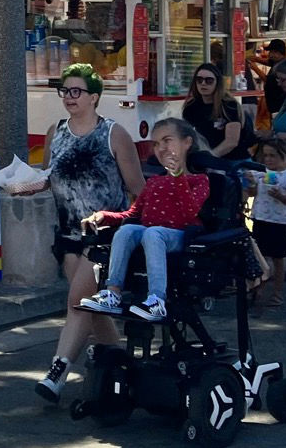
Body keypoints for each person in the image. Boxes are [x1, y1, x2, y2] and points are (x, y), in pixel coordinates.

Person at [20, 63, 145, 403]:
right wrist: (30, 185)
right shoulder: (55, 131)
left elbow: (138, 188)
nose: (69, 98)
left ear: (94, 97)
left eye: (76, 92)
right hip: (69, 233)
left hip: (105, 235)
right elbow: (50, 175)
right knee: (91, 308)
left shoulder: (113, 133)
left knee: (77, 302)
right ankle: (119, 363)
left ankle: (57, 370)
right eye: (65, 91)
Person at [76, 120, 209, 323]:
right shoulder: (154, 182)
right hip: (151, 233)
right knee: (127, 230)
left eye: (167, 141)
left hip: (180, 235)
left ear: (187, 143)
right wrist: (105, 216)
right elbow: (133, 213)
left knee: (152, 233)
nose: (161, 148)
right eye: (156, 144)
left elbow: (190, 212)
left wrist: (178, 177)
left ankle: (156, 300)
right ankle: (112, 292)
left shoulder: (198, 180)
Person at [247, 140, 286, 311]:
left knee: (278, 259)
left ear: (284, 157)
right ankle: (258, 289)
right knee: (260, 257)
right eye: (266, 155)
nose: (268, 160)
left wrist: (280, 196)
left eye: (273, 156)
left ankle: (277, 293)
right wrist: (251, 184)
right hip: (260, 218)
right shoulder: (261, 172)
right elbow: (253, 193)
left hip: (279, 222)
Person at [180, 61, 245, 158]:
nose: (203, 83)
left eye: (209, 80)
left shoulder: (229, 105)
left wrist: (209, 157)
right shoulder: (191, 106)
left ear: (217, 83)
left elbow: (231, 142)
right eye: (199, 80)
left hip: (233, 159)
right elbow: (185, 135)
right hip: (205, 156)